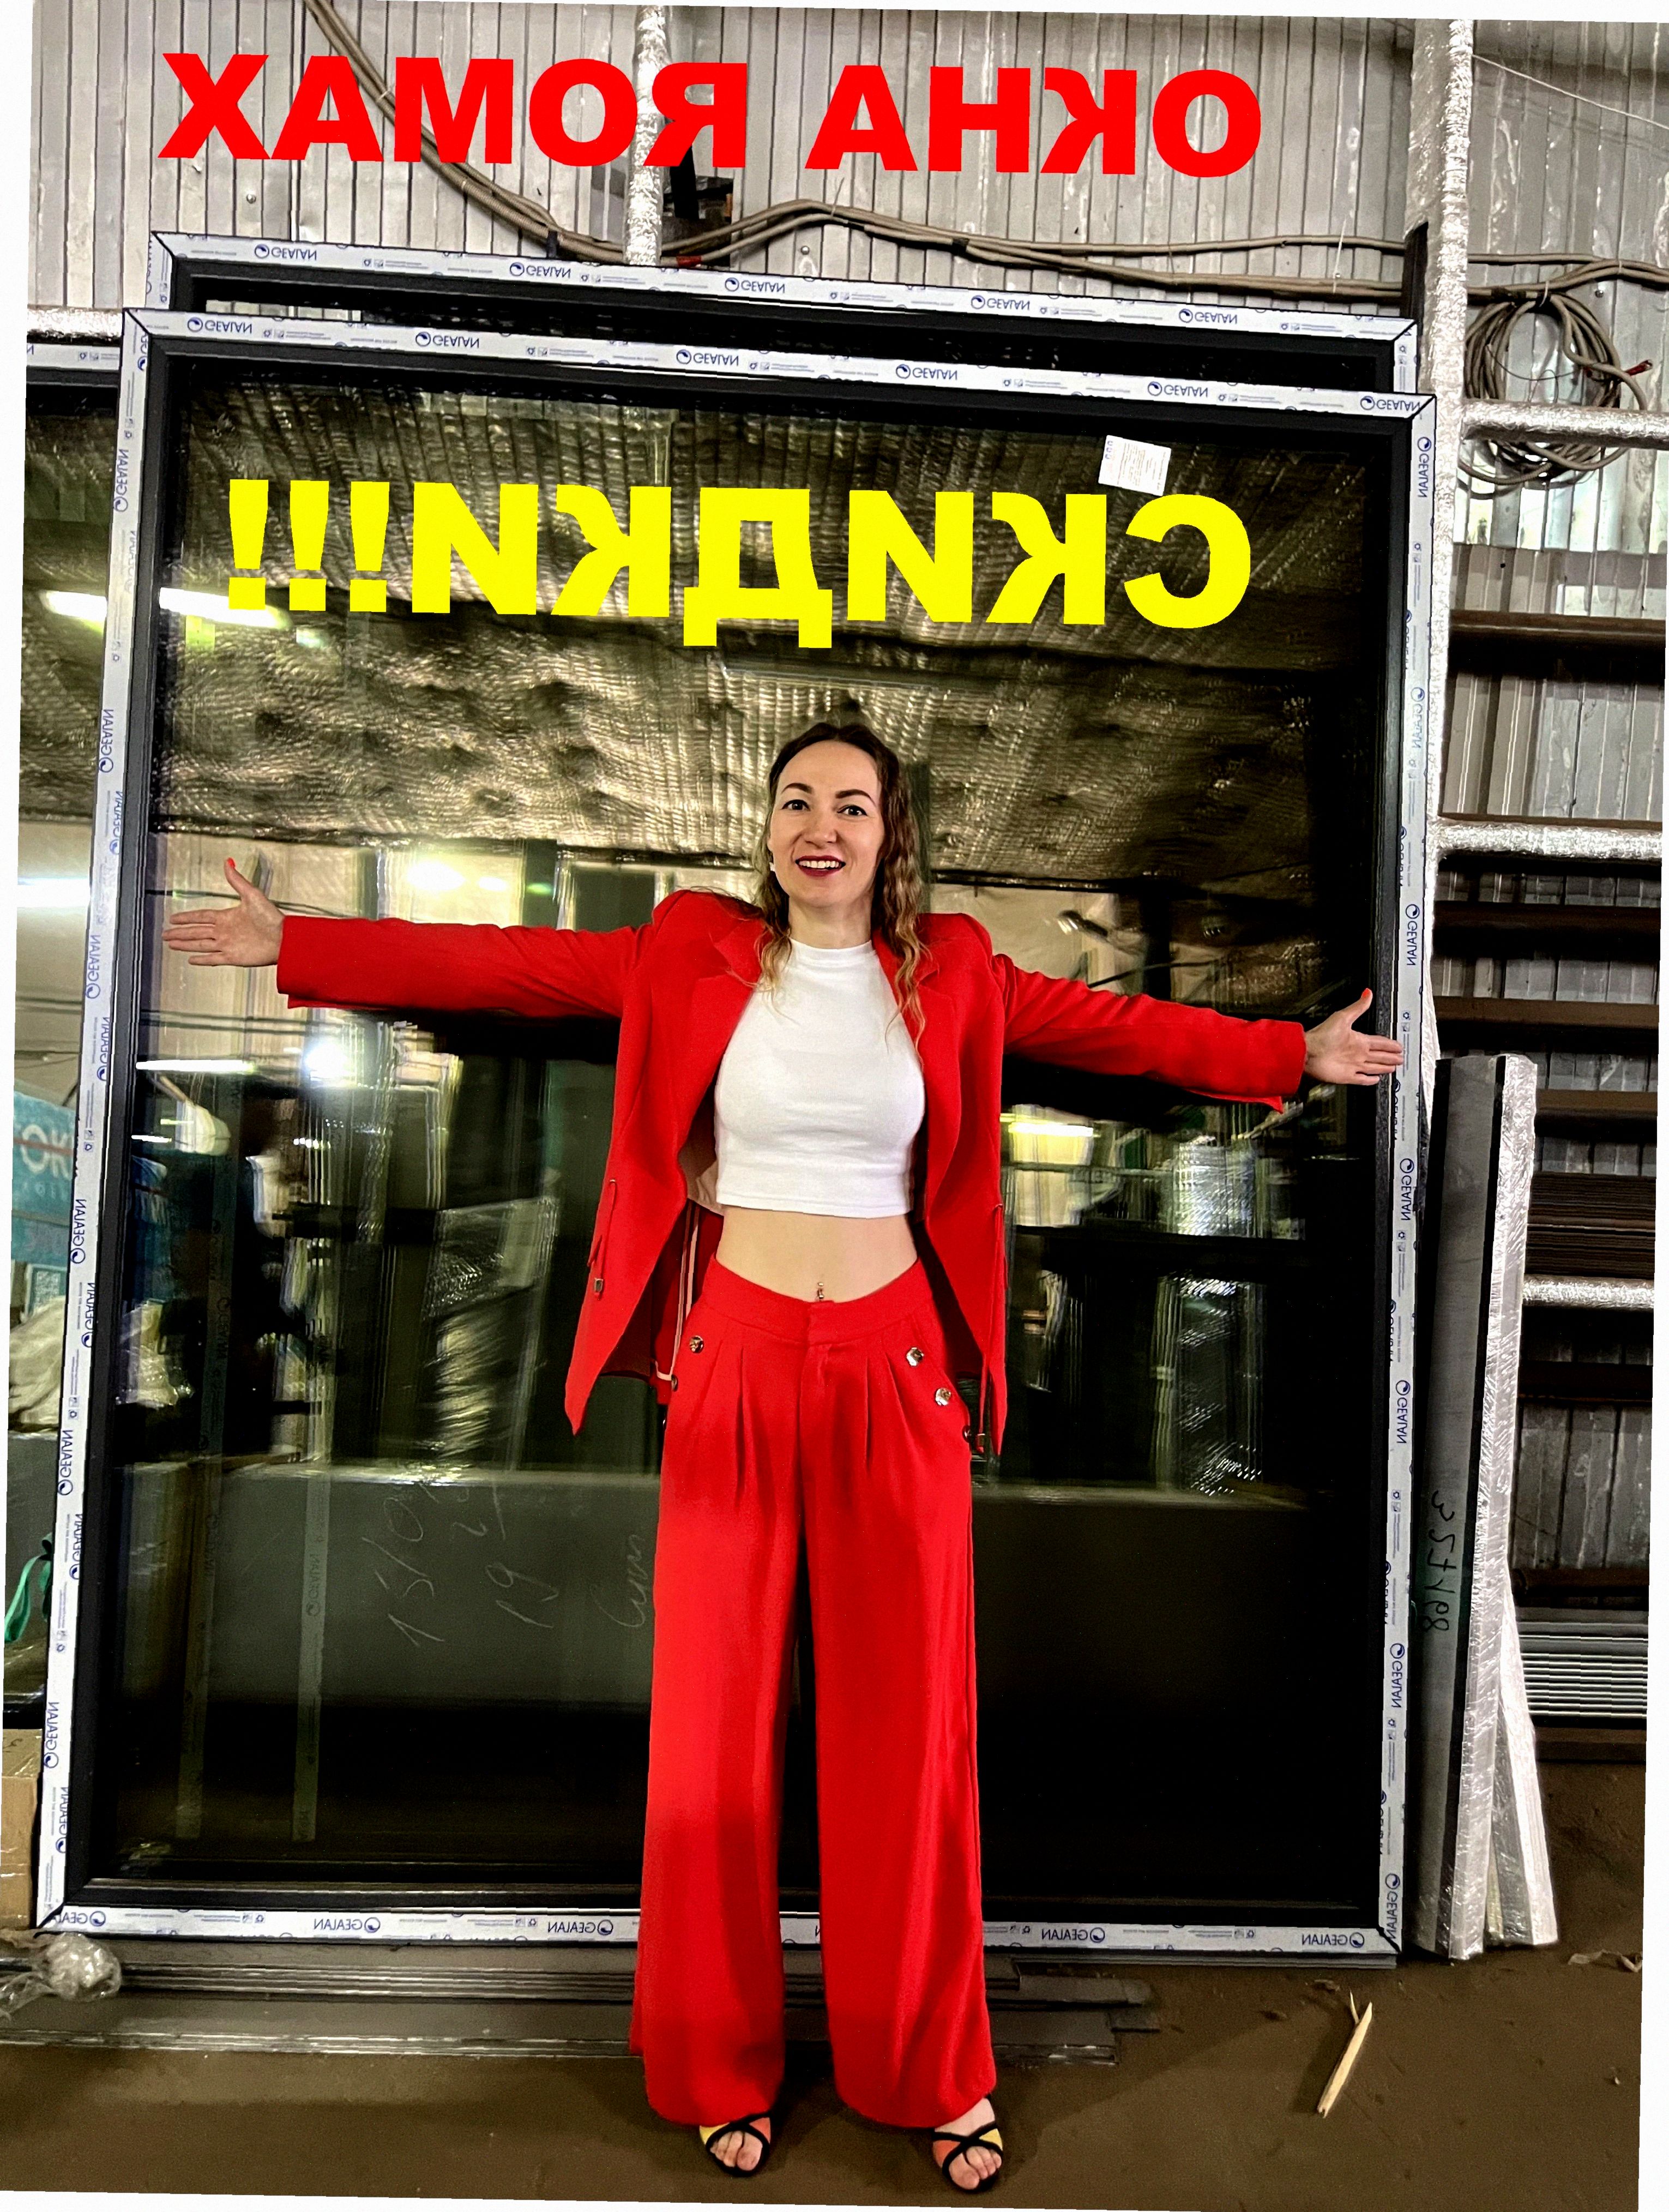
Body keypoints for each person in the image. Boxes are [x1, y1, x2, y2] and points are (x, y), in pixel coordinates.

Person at [163, 721, 1402, 2191]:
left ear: (891, 836)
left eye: (853, 805)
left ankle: (927, 2067)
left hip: (896, 1367)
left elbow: (1113, 1029)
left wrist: (1288, 1054)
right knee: (711, 1736)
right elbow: (504, 968)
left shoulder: (952, 970)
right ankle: (714, 2059)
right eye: (798, 800)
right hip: (737, 1359)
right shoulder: (690, 952)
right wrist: (297, 944)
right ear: (768, 829)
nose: (823, 824)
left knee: (911, 1739)